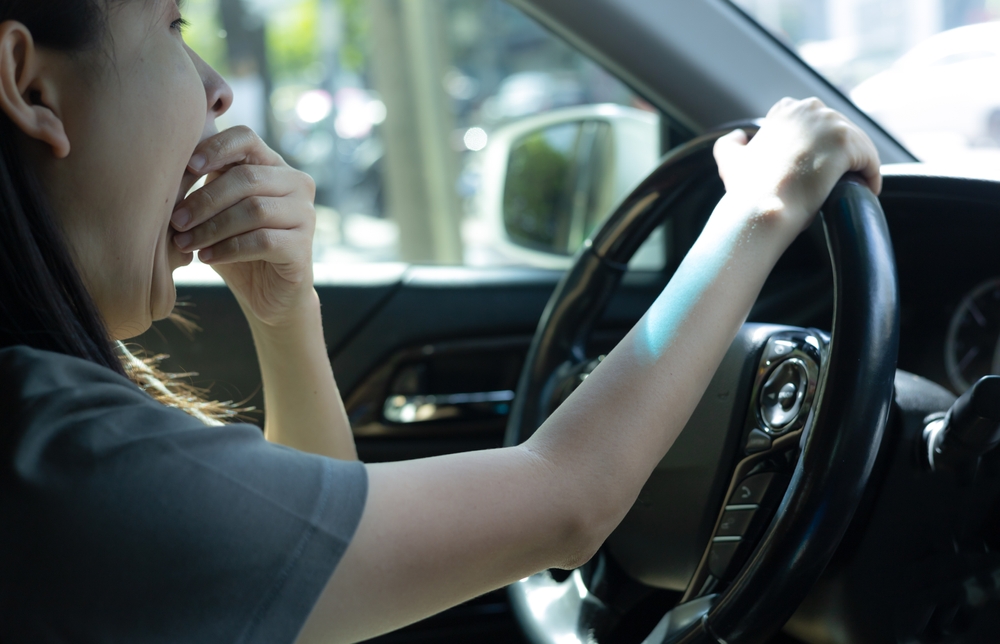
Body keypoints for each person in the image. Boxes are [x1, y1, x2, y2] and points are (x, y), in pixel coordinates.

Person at [0, 1, 882, 642]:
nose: (218, 91)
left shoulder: (46, 427)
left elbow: (313, 598)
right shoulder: (63, 459)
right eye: (171, 25)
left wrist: (285, 317)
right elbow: (568, 501)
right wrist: (761, 207)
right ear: (28, 83)